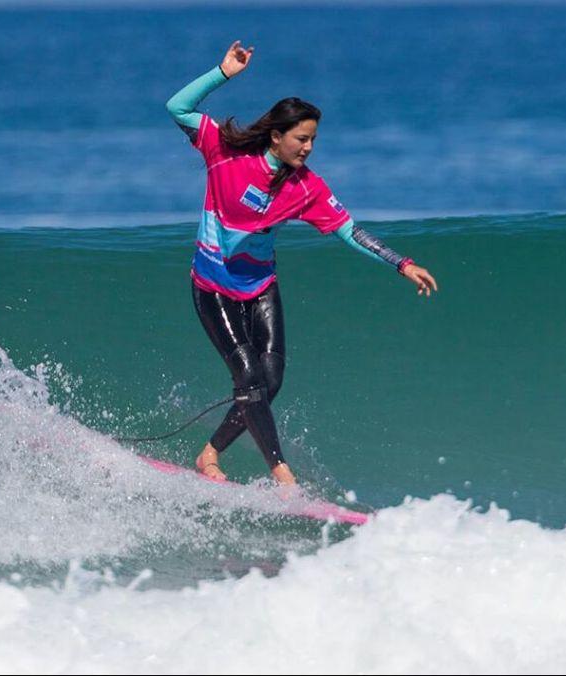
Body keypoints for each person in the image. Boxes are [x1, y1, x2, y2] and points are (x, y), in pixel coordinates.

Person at [166, 41, 438, 485]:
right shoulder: (225, 153)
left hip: (260, 287)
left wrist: (400, 263)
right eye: (302, 138)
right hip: (213, 286)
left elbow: (350, 230)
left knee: (268, 382)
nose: (309, 147)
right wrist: (223, 72)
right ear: (277, 136)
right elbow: (176, 106)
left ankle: (210, 454)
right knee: (249, 377)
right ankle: (282, 472)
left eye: (313, 139)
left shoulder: (306, 188)